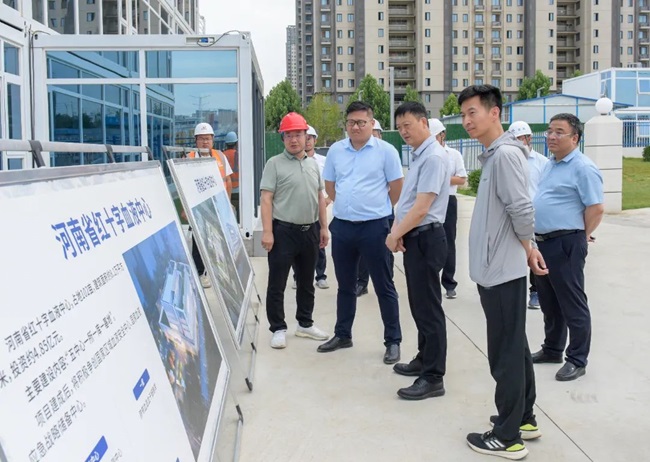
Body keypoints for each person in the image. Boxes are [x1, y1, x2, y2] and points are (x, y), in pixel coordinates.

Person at [459, 85, 547, 460]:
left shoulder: (507, 155)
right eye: (463, 115)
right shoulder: (495, 155)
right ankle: (524, 417)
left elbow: (522, 209)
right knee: (515, 346)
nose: (467, 121)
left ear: (495, 113)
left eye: (473, 112)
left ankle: (507, 436)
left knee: (504, 353)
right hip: (497, 268)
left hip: (501, 271)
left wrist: (528, 247)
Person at [317, 101, 404, 365]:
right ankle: (343, 334)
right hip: (343, 226)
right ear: (346, 124)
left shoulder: (386, 151)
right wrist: (345, 204)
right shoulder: (336, 151)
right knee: (346, 285)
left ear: (371, 123)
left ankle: (393, 341)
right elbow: (330, 185)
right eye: (351, 122)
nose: (356, 127)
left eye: (361, 122)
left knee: (383, 285)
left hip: (374, 227)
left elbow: (396, 186)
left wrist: (378, 207)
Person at [531, 113, 604, 382]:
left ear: (574, 138)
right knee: (550, 302)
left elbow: (596, 208)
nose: (551, 136)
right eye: (550, 131)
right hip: (544, 242)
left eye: (559, 132)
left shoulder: (583, 167)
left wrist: (581, 235)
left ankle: (577, 358)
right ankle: (552, 349)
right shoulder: (551, 164)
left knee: (572, 302)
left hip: (566, 243)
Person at [387, 102, 451, 400]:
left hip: (427, 238)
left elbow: (423, 207)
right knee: (420, 305)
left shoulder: (434, 157)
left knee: (429, 309)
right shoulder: (420, 156)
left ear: (424, 122)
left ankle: (433, 376)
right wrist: (401, 231)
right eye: (399, 128)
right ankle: (424, 359)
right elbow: (409, 203)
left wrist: (394, 234)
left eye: (408, 126)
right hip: (416, 238)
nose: (403, 132)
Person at [259, 112, 330, 349]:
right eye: (288, 135)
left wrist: (324, 227)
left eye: (298, 134)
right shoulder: (274, 164)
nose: (293, 140)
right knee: (277, 282)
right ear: (283, 138)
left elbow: (320, 197)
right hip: (283, 232)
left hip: (309, 231)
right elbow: (266, 199)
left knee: (307, 281)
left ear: (306, 136)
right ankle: (278, 328)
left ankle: (305, 324)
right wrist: (267, 232)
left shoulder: (312, 164)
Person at [508, 121, 550, 310]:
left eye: (521, 139)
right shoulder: (507, 161)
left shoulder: (542, 162)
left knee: (535, 252)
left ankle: (536, 291)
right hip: (512, 216)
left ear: (529, 138)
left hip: (534, 216)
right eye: (514, 139)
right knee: (514, 254)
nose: (519, 143)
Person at [188, 123, 233, 289]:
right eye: (201, 139)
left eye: (207, 138)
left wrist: (226, 204)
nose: (205, 142)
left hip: (218, 206)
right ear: (196, 140)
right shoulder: (189, 158)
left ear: (213, 140)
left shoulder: (220, 156)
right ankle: (200, 273)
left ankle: (218, 271)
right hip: (198, 207)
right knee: (199, 241)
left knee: (218, 239)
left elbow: (227, 181)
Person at [429, 118, 467, 300]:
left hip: (448, 200)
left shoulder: (453, 154)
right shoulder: (424, 155)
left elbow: (461, 178)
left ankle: (449, 282)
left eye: (434, 136)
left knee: (449, 241)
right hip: (429, 200)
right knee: (431, 241)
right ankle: (432, 280)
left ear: (442, 135)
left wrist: (441, 178)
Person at [291, 125, 330, 290]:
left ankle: (320, 276)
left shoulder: (323, 161)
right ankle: (297, 276)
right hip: (299, 210)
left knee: (319, 243)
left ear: (315, 140)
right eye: (304, 138)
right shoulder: (293, 161)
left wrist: (328, 200)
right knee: (297, 247)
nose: (307, 142)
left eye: (310, 138)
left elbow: (332, 182)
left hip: (318, 209)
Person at [356, 119, 387, 297]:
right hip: (363, 214)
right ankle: (362, 282)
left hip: (383, 211)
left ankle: (385, 282)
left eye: (376, 133)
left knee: (384, 253)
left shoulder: (386, 153)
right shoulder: (359, 154)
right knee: (362, 253)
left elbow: (396, 184)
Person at [223, 131, 240, 220]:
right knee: (240, 218)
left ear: (226, 143)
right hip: (239, 190)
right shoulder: (239, 155)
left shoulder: (222, 155)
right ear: (236, 143)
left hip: (228, 192)